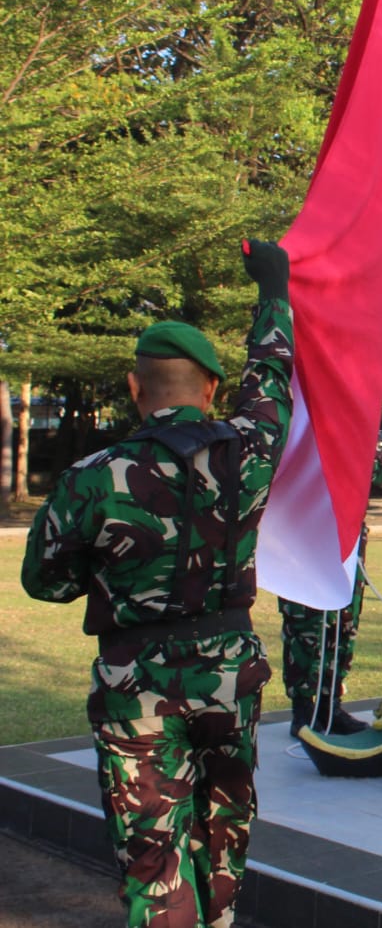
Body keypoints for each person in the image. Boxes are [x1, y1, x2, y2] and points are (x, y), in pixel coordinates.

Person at [20, 240, 292, 927]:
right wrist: (273, 291)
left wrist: (111, 571)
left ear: (137, 388)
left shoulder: (93, 474)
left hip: (136, 685)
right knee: (223, 832)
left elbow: (44, 583)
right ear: (210, 388)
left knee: (154, 855)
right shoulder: (251, 452)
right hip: (229, 679)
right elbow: (272, 376)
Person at [279, 525, 369, 738]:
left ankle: (330, 705)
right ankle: (303, 709)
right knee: (306, 625)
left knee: (344, 622)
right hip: (305, 529)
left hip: (347, 527)